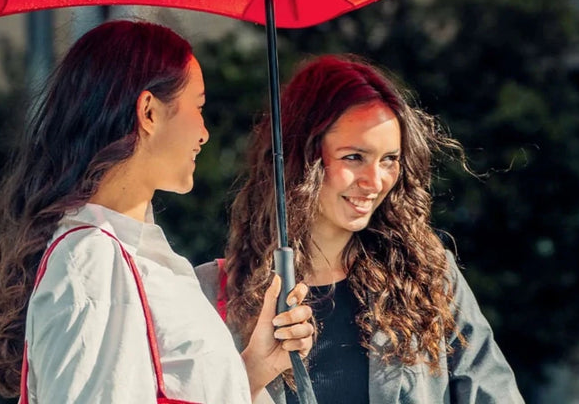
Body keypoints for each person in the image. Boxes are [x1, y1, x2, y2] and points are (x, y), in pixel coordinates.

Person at [0, 20, 314, 404]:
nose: (204, 132)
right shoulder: (93, 263)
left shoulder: (127, 254)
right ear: (149, 111)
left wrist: (252, 370)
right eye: (198, 108)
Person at [197, 54, 524, 403]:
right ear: (301, 159)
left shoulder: (426, 277)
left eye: (389, 160)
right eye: (354, 157)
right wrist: (250, 374)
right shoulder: (212, 294)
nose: (374, 181)